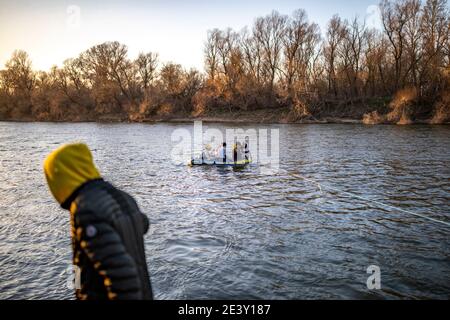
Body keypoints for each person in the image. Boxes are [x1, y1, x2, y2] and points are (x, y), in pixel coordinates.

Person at [43, 143, 153, 300]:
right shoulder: (124, 197)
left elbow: (121, 275)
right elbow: (144, 224)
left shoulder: (86, 208)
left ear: (60, 176)